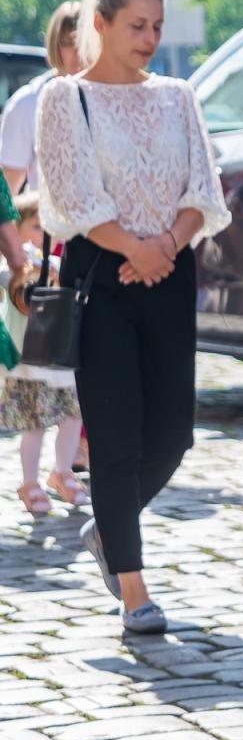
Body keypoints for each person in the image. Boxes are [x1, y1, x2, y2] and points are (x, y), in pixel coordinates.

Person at [35, 0, 231, 635]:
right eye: (135, 26)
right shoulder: (66, 98)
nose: (149, 38)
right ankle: (133, 589)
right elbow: (72, 196)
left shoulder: (178, 95)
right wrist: (133, 247)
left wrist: (165, 247)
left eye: (156, 25)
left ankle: (108, 529)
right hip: (101, 276)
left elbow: (203, 190)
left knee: (173, 432)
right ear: (100, 24)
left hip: (169, 271)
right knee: (115, 438)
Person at [1, 190, 83, 514]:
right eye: (36, 226)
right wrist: (20, 263)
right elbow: (14, 288)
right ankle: (29, 481)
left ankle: (62, 471)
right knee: (34, 424)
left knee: (73, 416)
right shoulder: (10, 269)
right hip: (27, 361)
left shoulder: (55, 263)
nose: (43, 234)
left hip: (59, 360)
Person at [1, 2, 81, 195]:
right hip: (47, 222)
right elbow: (6, 193)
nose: (78, 53)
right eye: (69, 44)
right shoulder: (28, 103)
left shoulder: (114, 100)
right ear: (55, 45)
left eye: (84, 43)